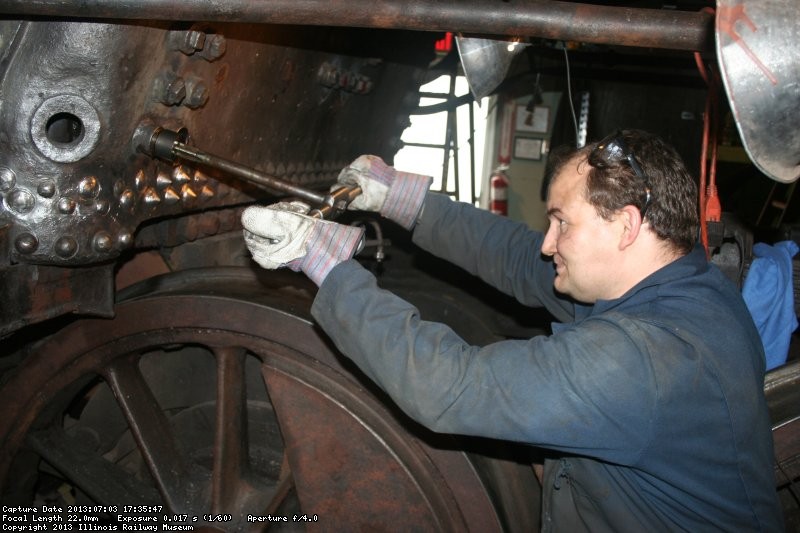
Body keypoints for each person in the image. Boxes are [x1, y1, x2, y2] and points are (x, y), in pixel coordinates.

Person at [241, 129, 784, 531]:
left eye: (561, 223)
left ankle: (148, 520)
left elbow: (448, 387)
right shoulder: (688, 287)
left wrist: (326, 264)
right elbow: (519, 259)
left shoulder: (642, 360)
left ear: (626, 226)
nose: (548, 243)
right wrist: (401, 199)